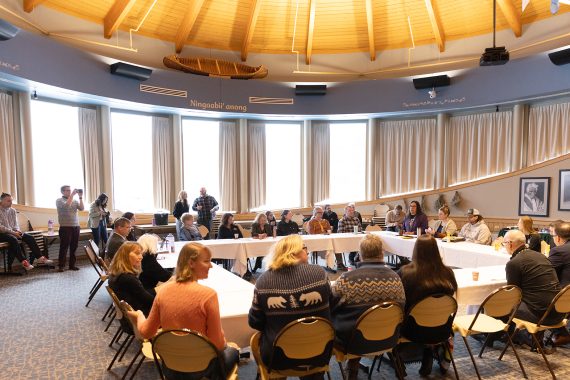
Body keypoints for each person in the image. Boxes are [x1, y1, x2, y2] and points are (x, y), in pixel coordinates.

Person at [129, 243, 239, 379]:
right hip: (202, 369)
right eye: (206, 261)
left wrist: (139, 316)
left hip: (170, 369)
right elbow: (217, 344)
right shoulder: (208, 295)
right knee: (233, 351)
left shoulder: (163, 291)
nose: (211, 266)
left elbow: (146, 332)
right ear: (191, 263)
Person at [248, 235, 332, 378]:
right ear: (294, 253)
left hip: (278, 357)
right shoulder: (320, 273)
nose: (308, 252)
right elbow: (332, 307)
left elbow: (255, 322)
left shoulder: (263, 281)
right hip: (320, 351)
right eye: (305, 248)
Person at [331, 234, 405, 380]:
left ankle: (352, 365)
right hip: (389, 337)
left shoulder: (347, 279)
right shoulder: (396, 277)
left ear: (360, 255)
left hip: (353, 342)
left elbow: (330, 307)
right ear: (382, 253)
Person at [398, 235, 457, 376]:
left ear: (415, 251)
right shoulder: (448, 273)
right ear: (436, 250)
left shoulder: (406, 273)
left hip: (413, 330)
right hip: (442, 329)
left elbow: (399, 302)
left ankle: (400, 361)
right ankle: (430, 351)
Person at [504, 230, 564, 350]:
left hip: (541, 317)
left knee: (502, 306)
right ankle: (527, 337)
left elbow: (513, 294)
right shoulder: (541, 256)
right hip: (559, 313)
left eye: (504, 243)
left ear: (510, 244)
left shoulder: (514, 263)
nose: (504, 246)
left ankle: (521, 337)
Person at [0, 192, 52, 270]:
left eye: (11, 201)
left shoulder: (13, 210)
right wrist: (14, 233)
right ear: (2, 201)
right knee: (13, 239)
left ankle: (40, 258)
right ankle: (24, 262)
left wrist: (17, 231)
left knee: (29, 237)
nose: (11, 203)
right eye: (8, 201)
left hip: (13, 232)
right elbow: (1, 227)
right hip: (2, 234)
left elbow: (15, 224)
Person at [108, 241, 154, 316]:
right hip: (140, 315)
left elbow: (141, 293)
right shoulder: (128, 278)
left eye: (141, 254)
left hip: (133, 311)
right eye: (137, 253)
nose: (141, 257)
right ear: (125, 256)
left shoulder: (117, 272)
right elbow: (149, 301)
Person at [548, 222, 570, 346]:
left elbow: (546, 272)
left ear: (558, 238)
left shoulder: (559, 251)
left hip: (565, 296)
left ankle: (562, 333)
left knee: (536, 296)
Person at [56, 185, 84, 272]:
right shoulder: (59, 200)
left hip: (76, 226)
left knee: (74, 246)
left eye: (70, 190)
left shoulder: (75, 200)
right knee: (64, 247)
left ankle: (72, 265)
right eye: (67, 190)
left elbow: (82, 208)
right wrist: (72, 195)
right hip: (65, 227)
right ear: (62, 192)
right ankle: (61, 266)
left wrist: (80, 197)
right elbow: (66, 206)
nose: (69, 192)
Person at [307, 206, 336, 273]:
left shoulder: (325, 221)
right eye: (319, 212)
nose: (321, 214)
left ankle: (329, 265)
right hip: (316, 241)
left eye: (322, 212)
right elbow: (311, 234)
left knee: (331, 247)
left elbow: (329, 231)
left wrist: (328, 233)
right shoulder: (311, 222)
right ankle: (314, 267)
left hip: (326, 240)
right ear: (314, 213)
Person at [337, 204, 361, 270]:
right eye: (349, 211)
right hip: (346, 240)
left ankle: (357, 259)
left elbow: (359, 230)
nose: (351, 212)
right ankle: (352, 259)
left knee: (363, 242)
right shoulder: (342, 221)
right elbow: (341, 233)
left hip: (355, 239)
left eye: (352, 210)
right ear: (345, 212)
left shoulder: (356, 220)